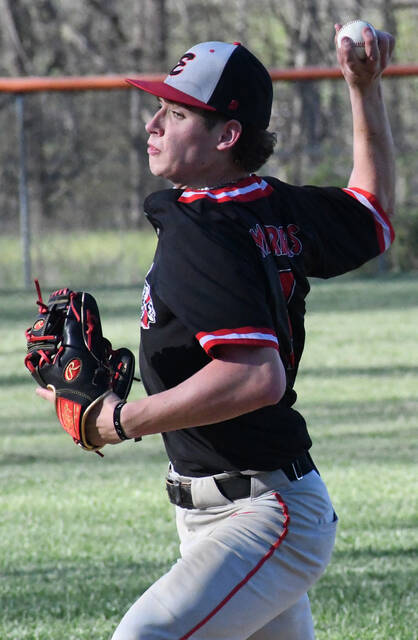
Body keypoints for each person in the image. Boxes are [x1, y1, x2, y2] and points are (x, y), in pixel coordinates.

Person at [37, 23, 395, 640]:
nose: (153, 126)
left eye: (176, 115)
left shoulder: (203, 227)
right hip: (247, 506)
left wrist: (121, 420)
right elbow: (372, 212)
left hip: (261, 515)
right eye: (159, 110)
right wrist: (363, 88)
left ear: (227, 135)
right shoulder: (268, 204)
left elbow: (255, 377)